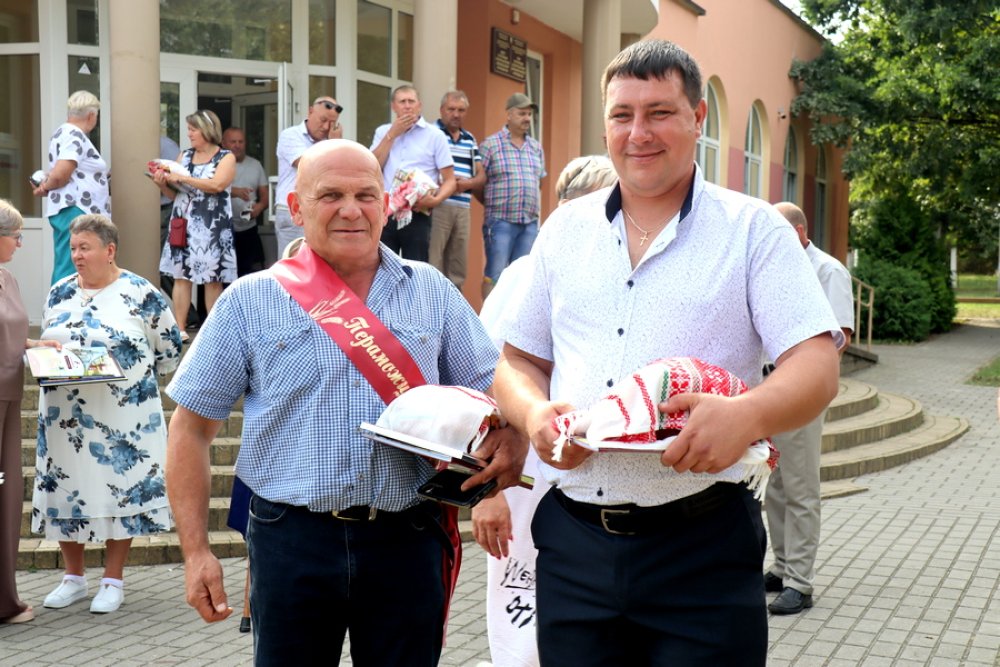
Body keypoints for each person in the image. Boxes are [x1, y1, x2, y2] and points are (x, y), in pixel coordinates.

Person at [493, 39, 843, 666]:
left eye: (659, 112)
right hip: (574, 542)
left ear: (698, 117)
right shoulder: (563, 231)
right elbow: (519, 362)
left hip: (702, 545)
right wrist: (533, 414)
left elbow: (817, 364)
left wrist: (748, 415)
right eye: (622, 115)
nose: (638, 133)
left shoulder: (753, 230)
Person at [164, 139, 527, 666]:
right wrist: (197, 551)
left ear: (387, 204)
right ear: (296, 207)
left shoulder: (432, 291)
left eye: (365, 195)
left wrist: (512, 440)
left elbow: (496, 389)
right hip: (290, 541)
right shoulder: (249, 300)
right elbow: (190, 429)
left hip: (408, 536)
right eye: (331, 195)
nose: (351, 210)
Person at [473, 155, 616, 667]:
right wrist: (488, 494)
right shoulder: (524, 274)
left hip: (592, 477)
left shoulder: (621, 276)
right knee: (523, 605)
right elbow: (486, 379)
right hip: (525, 471)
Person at [32, 214, 182, 615]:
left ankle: (113, 579)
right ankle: (74, 578)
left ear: (109, 250)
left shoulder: (141, 292)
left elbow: (169, 349)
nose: (77, 256)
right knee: (66, 488)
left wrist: (130, 377)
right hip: (65, 418)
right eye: (73, 248)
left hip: (123, 416)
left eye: (85, 248)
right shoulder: (60, 291)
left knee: (121, 486)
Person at [764, 201, 855, 615]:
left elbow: (840, 338)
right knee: (775, 484)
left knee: (800, 487)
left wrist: (806, 385)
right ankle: (782, 566)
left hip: (800, 391)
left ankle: (800, 582)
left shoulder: (828, 271)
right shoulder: (775, 266)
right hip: (767, 387)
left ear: (800, 233)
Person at [0, 201, 63, 625]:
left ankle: (4, 599)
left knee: (7, 496)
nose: (21, 244)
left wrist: (34, 346)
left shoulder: (7, 278)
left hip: (9, 395)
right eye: (16, 236)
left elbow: (9, 332)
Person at [154, 109, 237, 343]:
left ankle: (213, 331)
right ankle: (180, 329)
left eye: (193, 129)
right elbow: (176, 195)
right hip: (183, 221)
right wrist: (162, 184)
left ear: (207, 130)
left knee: (213, 279)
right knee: (181, 276)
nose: (189, 134)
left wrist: (182, 178)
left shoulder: (226, 157)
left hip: (213, 224)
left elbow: (217, 185)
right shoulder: (185, 156)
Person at [33, 90, 111, 285]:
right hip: (78, 210)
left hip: (72, 209)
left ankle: (65, 302)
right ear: (91, 116)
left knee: (73, 264)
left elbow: (67, 172)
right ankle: (61, 303)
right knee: (73, 266)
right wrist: (46, 187)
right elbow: (61, 174)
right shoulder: (73, 135)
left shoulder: (64, 133)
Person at [371, 85, 456, 262]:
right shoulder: (383, 131)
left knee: (416, 265)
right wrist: (392, 135)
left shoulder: (435, 135)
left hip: (417, 210)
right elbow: (373, 166)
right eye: (402, 102)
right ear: (393, 106)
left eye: (411, 101)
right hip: (387, 209)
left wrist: (436, 200)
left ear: (419, 106)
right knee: (383, 264)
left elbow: (450, 180)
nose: (407, 106)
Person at [479, 93, 546, 298]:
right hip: (500, 222)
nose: (527, 118)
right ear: (509, 114)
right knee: (495, 275)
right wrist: (493, 206)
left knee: (523, 278)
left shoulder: (535, 147)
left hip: (529, 223)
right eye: (522, 113)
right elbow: (479, 183)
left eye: (529, 114)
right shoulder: (490, 145)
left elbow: (540, 181)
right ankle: (488, 317)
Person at [429, 91, 486, 288]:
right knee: (433, 262)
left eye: (461, 110)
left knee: (458, 266)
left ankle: (454, 305)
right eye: (451, 109)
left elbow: (481, 176)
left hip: (463, 208)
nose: (456, 114)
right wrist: (449, 183)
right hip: (438, 205)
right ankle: (433, 303)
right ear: (441, 110)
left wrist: (465, 184)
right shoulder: (431, 134)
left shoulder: (469, 139)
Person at [274, 96, 342, 256]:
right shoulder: (291, 135)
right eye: (323, 120)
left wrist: (335, 144)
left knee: (321, 262)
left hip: (321, 209)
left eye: (332, 123)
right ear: (310, 111)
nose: (326, 127)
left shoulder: (330, 142)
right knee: (293, 264)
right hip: (293, 210)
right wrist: (334, 145)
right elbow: (309, 166)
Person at [222, 127, 269, 277]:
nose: (237, 145)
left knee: (249, 275)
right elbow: (209, 190)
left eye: (240, 141)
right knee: (223, 276)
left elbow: (265, 196)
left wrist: (259, 207)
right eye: (233, 142)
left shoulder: (255, 165)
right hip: (223, 230)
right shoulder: (216, 165)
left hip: (249, 230)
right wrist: (234, 191)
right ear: (223, 143)